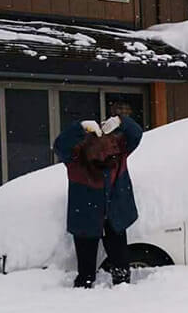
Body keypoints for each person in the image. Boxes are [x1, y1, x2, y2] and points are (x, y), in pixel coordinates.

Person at [53, 113, 143, 288]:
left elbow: (136, 134)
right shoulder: (77, 159)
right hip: (87, 216)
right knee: (87, 270)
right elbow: (60, 145)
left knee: (119, 264)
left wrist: (120, 121)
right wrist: (80, 128)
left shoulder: (119, 153)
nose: (104, 155)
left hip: (114, 215)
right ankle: (87, 287)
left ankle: (119, 286)